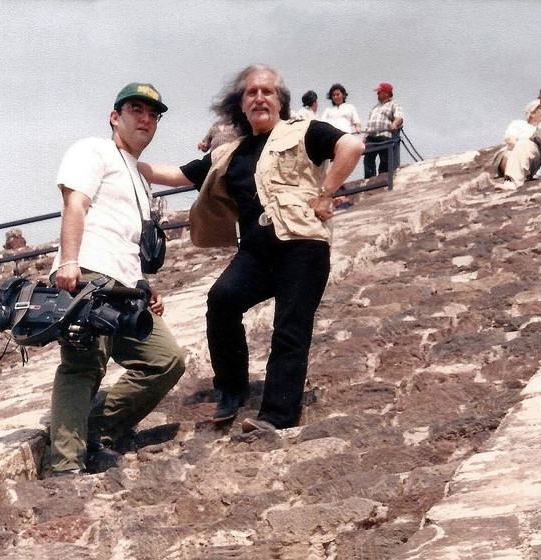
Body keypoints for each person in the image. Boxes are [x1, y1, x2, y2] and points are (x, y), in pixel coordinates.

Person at [140, 64, 364, 433]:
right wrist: (127, 157)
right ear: (241, 105)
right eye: (251, 93)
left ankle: (276, 416)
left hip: (302, 246)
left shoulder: (305, 131)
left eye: (268, 92)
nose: (259, 97)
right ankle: (232, 388)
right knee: (222, 300)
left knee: (289, 327)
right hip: (256, 253)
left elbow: (351, 146)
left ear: (281, 102)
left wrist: (326, 194)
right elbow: (177, 175)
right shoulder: (229, 153)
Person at [48, 82, 186, 476]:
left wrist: (144, 288)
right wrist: (69, 261)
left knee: (166, 359)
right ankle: (66, 465)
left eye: (152, 114)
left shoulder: (140, 178)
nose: (145, 118)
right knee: (84, 366)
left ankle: (94, 429)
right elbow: (76, 203)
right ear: (115, 116)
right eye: (136, 110)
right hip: (89, 273)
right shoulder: (92, 149)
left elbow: (127, 240)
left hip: (126, 288)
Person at [491, 99, 541, 177]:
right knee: (509, 156)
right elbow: (509, 139)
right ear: (532, 113)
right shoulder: (518, 124)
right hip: (512, 152)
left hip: (533, 159)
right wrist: (522, 151)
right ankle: (514, 173)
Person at [363, 82, 404, 178]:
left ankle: (383, 178)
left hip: (384, 134)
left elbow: (399, 117)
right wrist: (365, 136)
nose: (377, 94)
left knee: (385, 159)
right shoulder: (375, 107)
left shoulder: (394, 104)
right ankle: (369, 180)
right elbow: (369, 123)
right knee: (368, 159)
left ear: (387, 93)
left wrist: (394, 124)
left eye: (379, 92)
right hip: (371, 136)